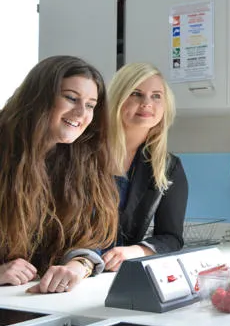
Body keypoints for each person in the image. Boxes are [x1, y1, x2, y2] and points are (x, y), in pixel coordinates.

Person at [0, 55, 119, 294]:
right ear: (38, 98)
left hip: (36, 303)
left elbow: (90, 238)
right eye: (71, 98)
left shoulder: (84, 162)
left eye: (90, 105)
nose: (80, 112)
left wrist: (79, 265)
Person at [101, 63, 188, 271]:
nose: (147, 103)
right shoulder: (83, 152)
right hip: (61, 268)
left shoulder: (168, 166)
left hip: (112, 273)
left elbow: (171, 237)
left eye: (156, 96)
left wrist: (136, 251)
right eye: (136, 94)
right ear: (117, 99)